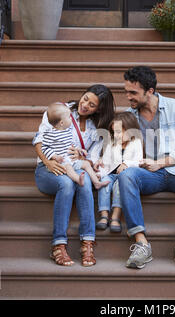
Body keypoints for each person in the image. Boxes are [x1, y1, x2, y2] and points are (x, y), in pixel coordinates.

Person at [118, 66, 175, 271]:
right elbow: (119, 146)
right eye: (126, 91)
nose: (127, 97)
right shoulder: (129, 116)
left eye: (133, 92)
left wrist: (162, 163)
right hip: (147, 174)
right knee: (127, 176)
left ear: (150, 91)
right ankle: (141, 244)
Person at [33, 84, 116, 267]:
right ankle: (58, 245)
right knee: (67, 184)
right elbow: (39, 139)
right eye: (85, 98)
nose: (85, 105)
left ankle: (87, 242)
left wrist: (84, 156)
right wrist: (48, 162)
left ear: (99, 109)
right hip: (48, 169)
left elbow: (92, 155)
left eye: (92, 105)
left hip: (74, 167)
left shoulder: (96, 126)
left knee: (83, 181)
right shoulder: (60, 111)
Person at [41, 102, 110, 189]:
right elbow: (45, 147)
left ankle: (96, 182)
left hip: (71, 160)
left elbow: (71, 145)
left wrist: (79, 150)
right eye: (69, 117)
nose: (72, 119)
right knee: (69, 168)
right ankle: (78, 180)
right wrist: (54, 156)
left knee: (86, 164)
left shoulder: (67, 132)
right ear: (62, 123)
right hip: (60, 163)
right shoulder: (50, 134)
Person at [94, 112, 143, 233]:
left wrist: (126, 163)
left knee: (118, 187)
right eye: (114, 132)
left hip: (125, 176)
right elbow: (106, 161)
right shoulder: (112, 143)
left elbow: (138, 161)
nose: (116, 135)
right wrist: (100, 172)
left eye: (119, 132)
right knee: (104, 182)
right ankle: (104, 214)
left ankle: (115, 216)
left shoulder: (136, 142)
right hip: (111, 174)